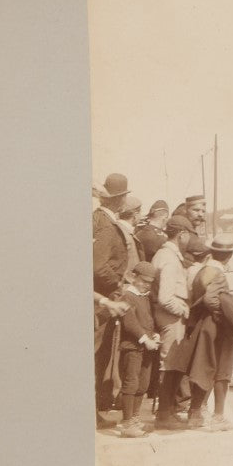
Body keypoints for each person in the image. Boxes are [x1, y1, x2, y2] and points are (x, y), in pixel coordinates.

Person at [170, 236, 233, 432]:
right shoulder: (218, 273)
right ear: (229, 256)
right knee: (222, 370)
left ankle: (195, 413)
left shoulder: (203, 271)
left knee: (204, 367)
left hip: (203, 325)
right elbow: (211, 299)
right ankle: (218, 416)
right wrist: (223, 313)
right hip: (216, 326)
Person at [92, 172, 132, 423]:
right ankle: (92, 415)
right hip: (103, 301)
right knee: (98, 355)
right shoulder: (106, 226)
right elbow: (97, 265)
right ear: (119, 200)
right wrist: (117, 282)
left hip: (100, 299)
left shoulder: (97, 219)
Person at [150, 217, 192, 429]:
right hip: (171, 317)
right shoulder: (169, 258)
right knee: (169, 365)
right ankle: (164, 415)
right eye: (188, 234)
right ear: (182, 234)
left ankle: (168, 412)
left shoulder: (163, 254)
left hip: (167, 316)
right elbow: (166, 297)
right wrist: (183, 309)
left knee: (172, 364)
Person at [115, 261, 160, 438]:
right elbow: (130, 323)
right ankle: (127, 422)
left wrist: (155, 334)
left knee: (143, 384)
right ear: (133, 277)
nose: (146, 285)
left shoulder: (145, 297)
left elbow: (149, 320)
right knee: (131, 383)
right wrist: (144, 339)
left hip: (146, 346)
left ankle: (135, 418)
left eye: (150, 282)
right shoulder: (127, 296)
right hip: (132, 347)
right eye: (143, 281)